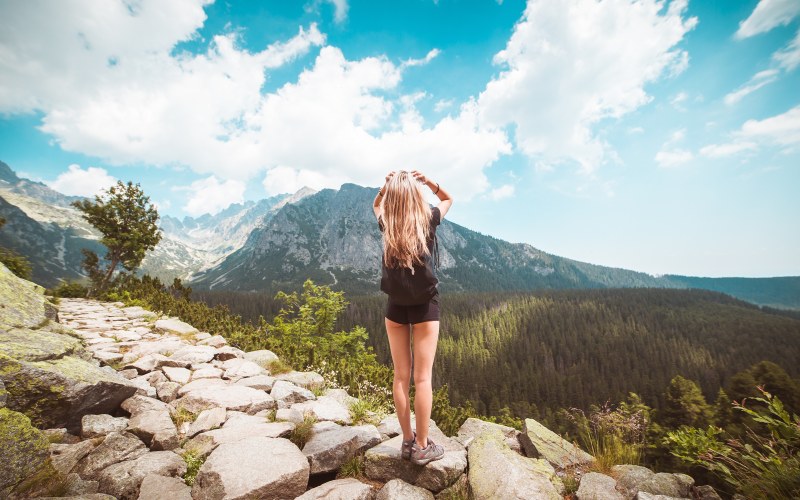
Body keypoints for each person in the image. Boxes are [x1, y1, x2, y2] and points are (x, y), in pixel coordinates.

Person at [373, 169, 453, 466]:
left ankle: (406, 441)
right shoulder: (429, 218)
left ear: (393, 196)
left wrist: (385, 187)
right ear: (415, 195)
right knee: (422, 378)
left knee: (400, 377)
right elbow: (448, 198)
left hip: (395, 308)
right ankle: (422, 445)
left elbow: (376, 206)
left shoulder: (387, 224)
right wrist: (430, 182)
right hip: (425, 308)